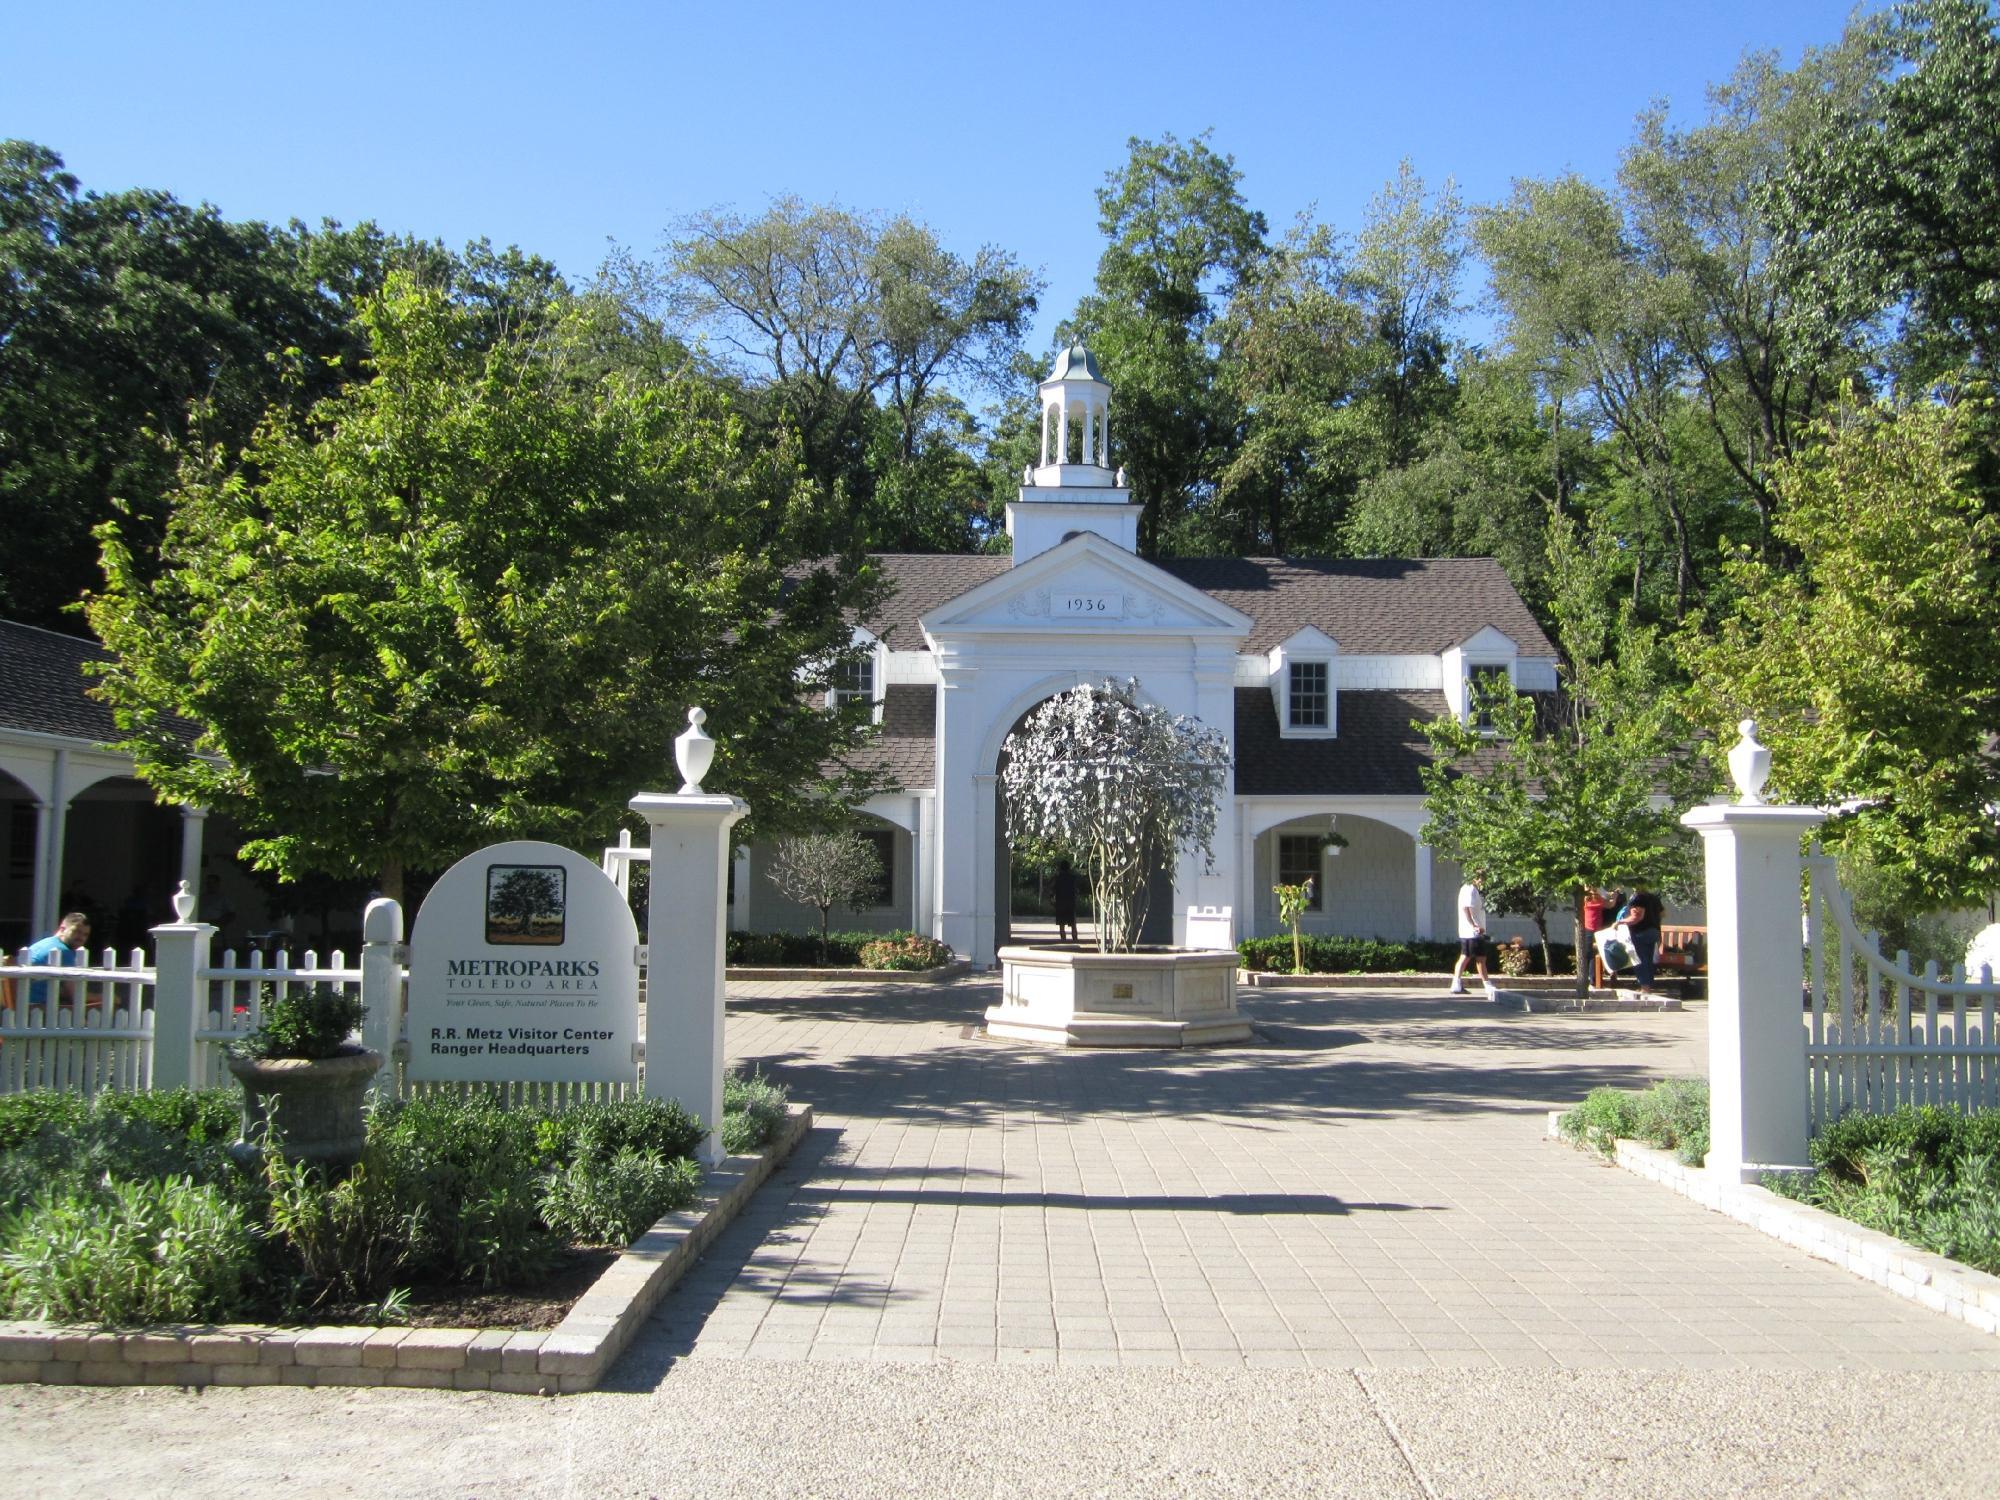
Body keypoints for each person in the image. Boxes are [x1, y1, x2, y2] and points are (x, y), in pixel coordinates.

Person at [23, 912, 90, 1007]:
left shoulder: (45, 943)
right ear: (62, 928)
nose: (81, 938)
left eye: (85, 935)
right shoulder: (63, 951)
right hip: (38, 1006)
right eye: (76, 932)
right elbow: (76, 995)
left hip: (23, 1002)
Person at [1448, 878, 1497, 999]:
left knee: (1465, 956)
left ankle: (1456, 984)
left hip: (1469, 931)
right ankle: (1487, 985)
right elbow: (1467, 908)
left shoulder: (1470, 889)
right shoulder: (1470, 889)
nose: (1483, 880)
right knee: (1479, 958)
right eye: (1481, 877)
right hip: (1472, 932)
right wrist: (1474, 925)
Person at [1621, 887, 1665, 999]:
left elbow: (1636, 917)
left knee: (1640, 960)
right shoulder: (1654, 898)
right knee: (1649, 960)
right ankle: (1647, 987)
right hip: (1654, 931)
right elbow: (1663, 913)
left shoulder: (1638, 898)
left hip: (1640, 932)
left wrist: (1619, 922)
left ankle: (1645, 988)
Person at [1051, 859, 1079, 943]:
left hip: (1060, 903)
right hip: (1070, 903)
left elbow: (1052, 890)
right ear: (1069, 868)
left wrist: (1052, 900)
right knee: (1073, 923)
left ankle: (1063, 940)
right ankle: (1075, 939)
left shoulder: (1057, 878)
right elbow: (1076, 890)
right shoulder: (1073, 878)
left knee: (1061, 924)